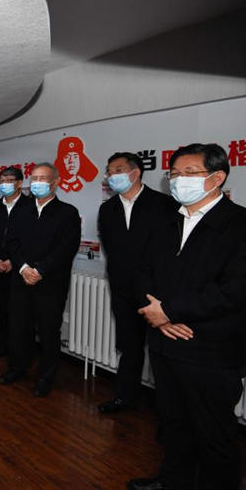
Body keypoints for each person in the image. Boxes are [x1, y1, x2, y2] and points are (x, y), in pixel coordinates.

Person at [129, 143, 246, 490]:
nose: (179, 180)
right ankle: (172, 481)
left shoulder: (239, 224)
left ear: (217, 177)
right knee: (172, 424)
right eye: (175, 174)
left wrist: (170, 311)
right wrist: (160, 317)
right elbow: (142, 272)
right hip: (165, 344)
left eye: (190, 173)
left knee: (214, 435)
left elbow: (234, 289)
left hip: (210, 350)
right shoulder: (168, 222)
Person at [96, 153, 176, 414]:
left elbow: (168, 251)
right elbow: (111, 247)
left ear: (136, 172)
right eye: (109, 171)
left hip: (157, 294)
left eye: (118, 169)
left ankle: (166, 410)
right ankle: (125, 397)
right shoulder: (107, 209)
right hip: (122, 289)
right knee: (129, 346)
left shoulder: (164, 204)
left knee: (161, 352)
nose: (112, 175)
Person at [0, 163, 80, 397]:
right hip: (21, 280)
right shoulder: (21, 210)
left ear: (55, 182)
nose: (37, 182)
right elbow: (11, 242)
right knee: (19, 328)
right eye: (34, 178)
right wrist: (24, 268)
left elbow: (66, 248)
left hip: (50, 283)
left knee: (48, 332)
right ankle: (17, 368)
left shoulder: (67, 213)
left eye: (43, 178)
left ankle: (45, 377)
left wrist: (40, 270)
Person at [0, 166, 33, 358]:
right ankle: (4, 344)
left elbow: (31, 240)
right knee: (3, 309)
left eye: (9, 181)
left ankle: (20, 352)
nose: (5, 184)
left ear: (20, 183)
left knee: (21, 313)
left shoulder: (31, 206)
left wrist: (15, 261)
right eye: (2, 181)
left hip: (21, 269)